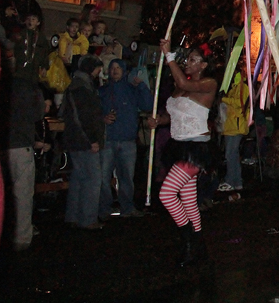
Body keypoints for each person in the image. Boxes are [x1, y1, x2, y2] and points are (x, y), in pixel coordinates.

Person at [146, 42, 217, 267]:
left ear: (204, 65)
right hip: (178, 145)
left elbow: (179, 80)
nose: (189, 62)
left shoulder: (207, 83)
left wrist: (169, 56)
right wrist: (159, 121)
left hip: (196, 149)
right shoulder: (182, 87)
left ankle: (189, 242)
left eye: (194, 59)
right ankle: (199, 248)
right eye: (188, 59)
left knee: (166, 194)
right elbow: (175, 115)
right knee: (188, 201)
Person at [98, 59, 153, 220]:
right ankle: (104, 208)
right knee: (104, 177)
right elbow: (93, 113)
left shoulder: (132, 90)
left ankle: (127, 207)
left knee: (127, 177)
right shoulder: (103, 91)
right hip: (108, 140)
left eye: (117, 68)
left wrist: (141, 85)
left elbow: (148, 105)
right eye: (112, 68)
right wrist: (103, 119)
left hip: (128, 141)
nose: (114, 70)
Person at [0, 72, 49, 250]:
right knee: (23, 194)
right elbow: (38, 113)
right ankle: (21, 237)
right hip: (21, 146)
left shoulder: (1, 83)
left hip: (1, 145)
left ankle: (3, 233)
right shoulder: (29, 87)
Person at [61, 55, 107, 230]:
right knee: (92, 179)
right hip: (83, 140)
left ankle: (73, 215)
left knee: (79, 178)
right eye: (97, 68)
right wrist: (93, 140)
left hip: (75, 140)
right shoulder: (83, 88)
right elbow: (85, 117)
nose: (99, 72)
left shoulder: (76, 86)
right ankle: (88, 218)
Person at [218, 69, 249, 193]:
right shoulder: (233, 88)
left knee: (230, 155)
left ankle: (230, 181)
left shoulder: (243, 87)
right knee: (233, 155)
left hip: (236, 126)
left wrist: (225, 100)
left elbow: (241, 103)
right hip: (230, 126)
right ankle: (237, 182)